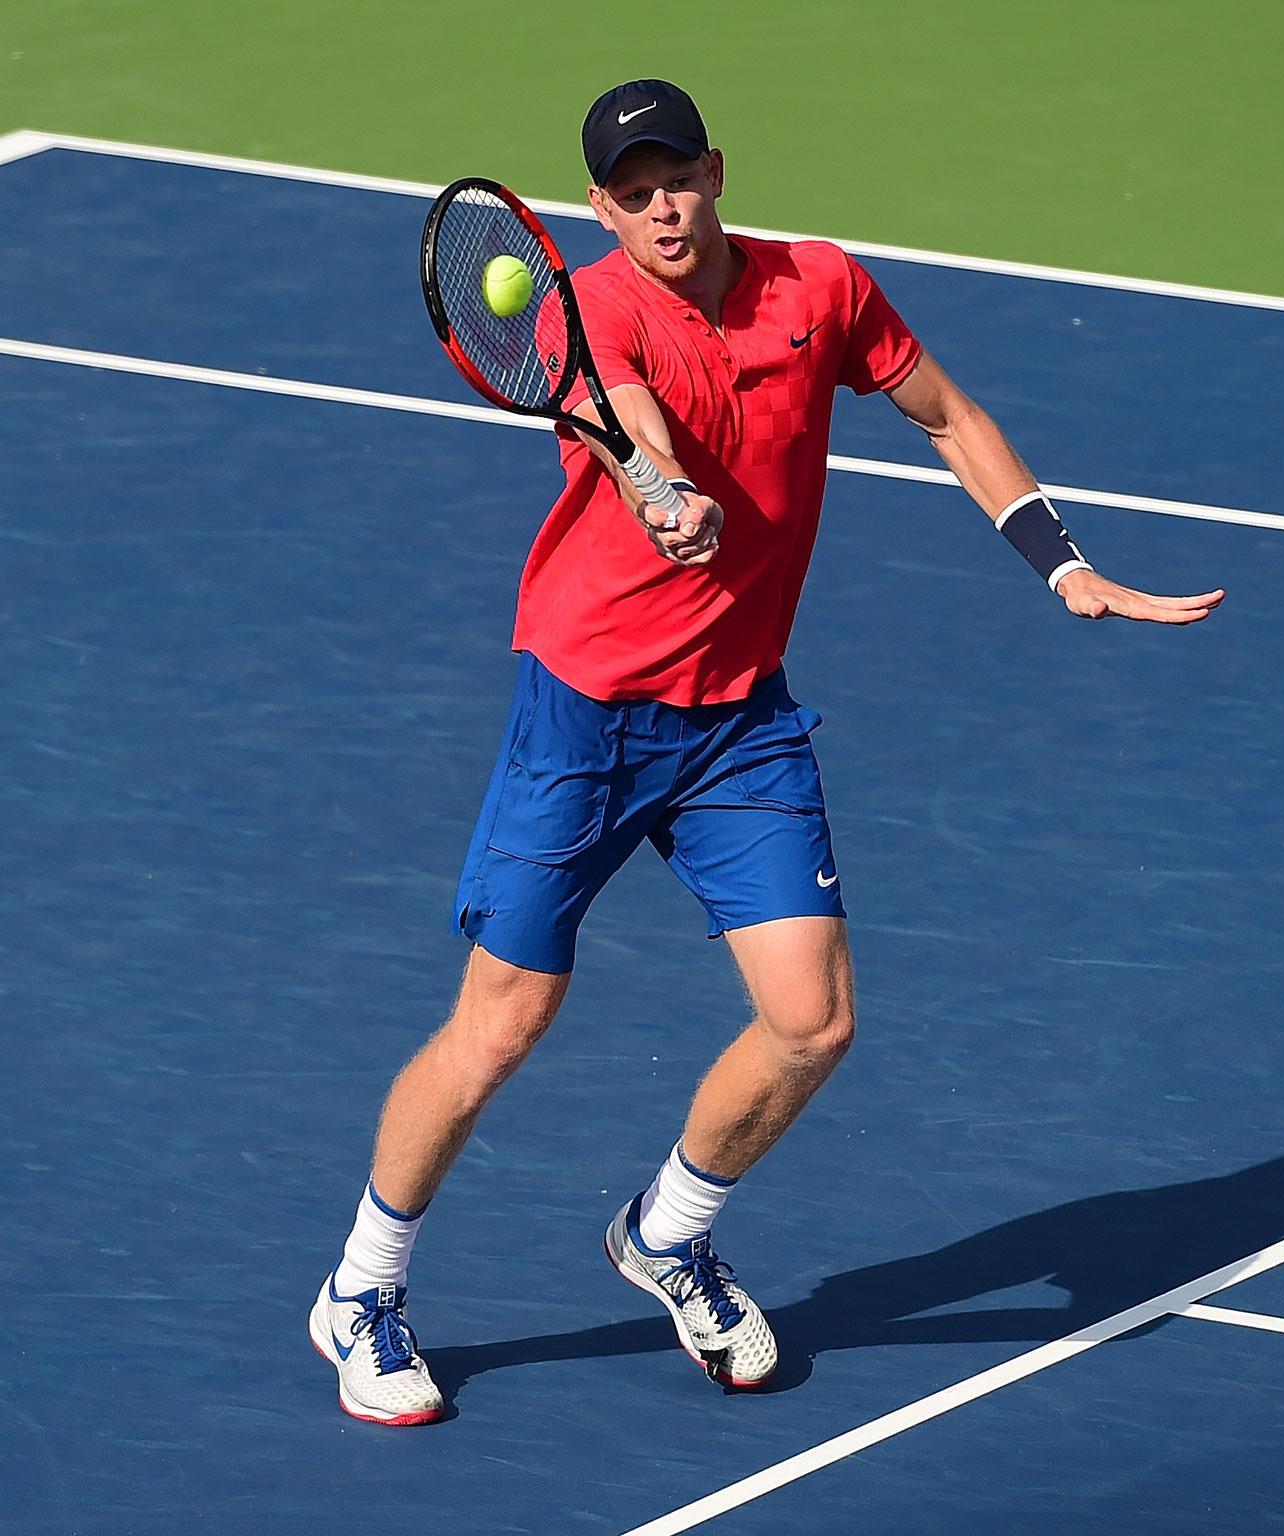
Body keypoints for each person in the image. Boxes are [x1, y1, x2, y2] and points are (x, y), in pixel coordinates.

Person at [309, 78, 1224, 1426]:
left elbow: (950, 417)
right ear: (599, 210)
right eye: (630, 191)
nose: (660, 206)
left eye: (677, 176)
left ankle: (667, 1234)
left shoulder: (824, 289)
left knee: (813, 1021)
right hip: (586, 718)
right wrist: (658, 488)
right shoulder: (591, 307)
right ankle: (361, 1291)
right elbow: (630, 424)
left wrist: (1059, 562)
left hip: (739, 718)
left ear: (718, 172)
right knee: (502, 1022)